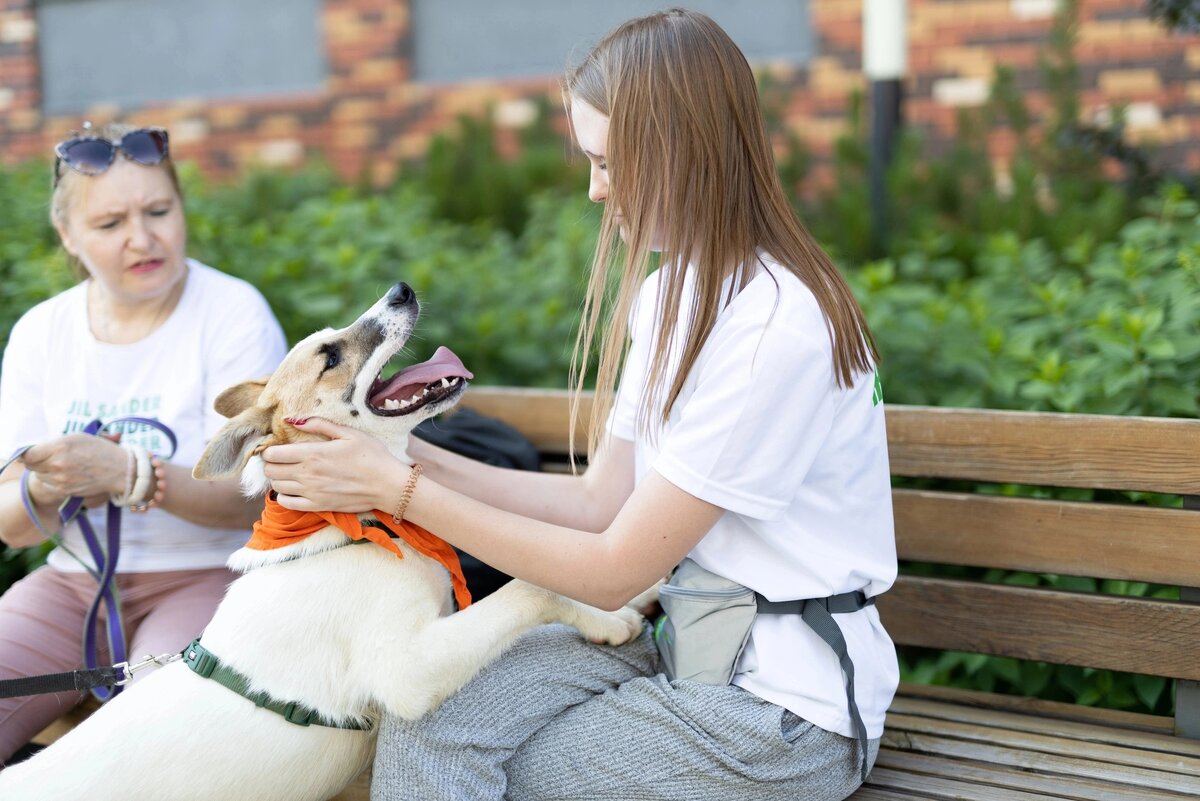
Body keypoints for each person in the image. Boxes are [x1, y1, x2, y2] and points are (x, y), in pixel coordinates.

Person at [262, 9, 897, 801]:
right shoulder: (676, 292)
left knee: (497, 773)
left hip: (778, 711)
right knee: (428, 717)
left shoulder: (774, 328)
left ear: (682, 151)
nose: (595, 189)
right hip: (684, 643)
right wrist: (385, 448)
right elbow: (600, 502)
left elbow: (612, 569)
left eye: (609, 161)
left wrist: (393, 488)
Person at [0, 122, 288, 763]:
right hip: (71, 586)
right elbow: (13, 528)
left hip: (210, 576)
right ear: (69, 237)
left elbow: (251, 496)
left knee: (149, 745)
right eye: (109, 224)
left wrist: (129, 472)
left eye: (159, 210)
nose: (143, 238)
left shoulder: (233, 313)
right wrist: (50, 482)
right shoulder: (40, 333)